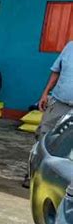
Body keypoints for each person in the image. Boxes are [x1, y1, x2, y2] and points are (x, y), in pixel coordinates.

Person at [22, 41, 73, 188]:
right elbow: (56, 71)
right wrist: (45, 93)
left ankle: (61, 184)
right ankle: (32, 175)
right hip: (58, 102)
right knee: (42, 137)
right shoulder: (70, 46)